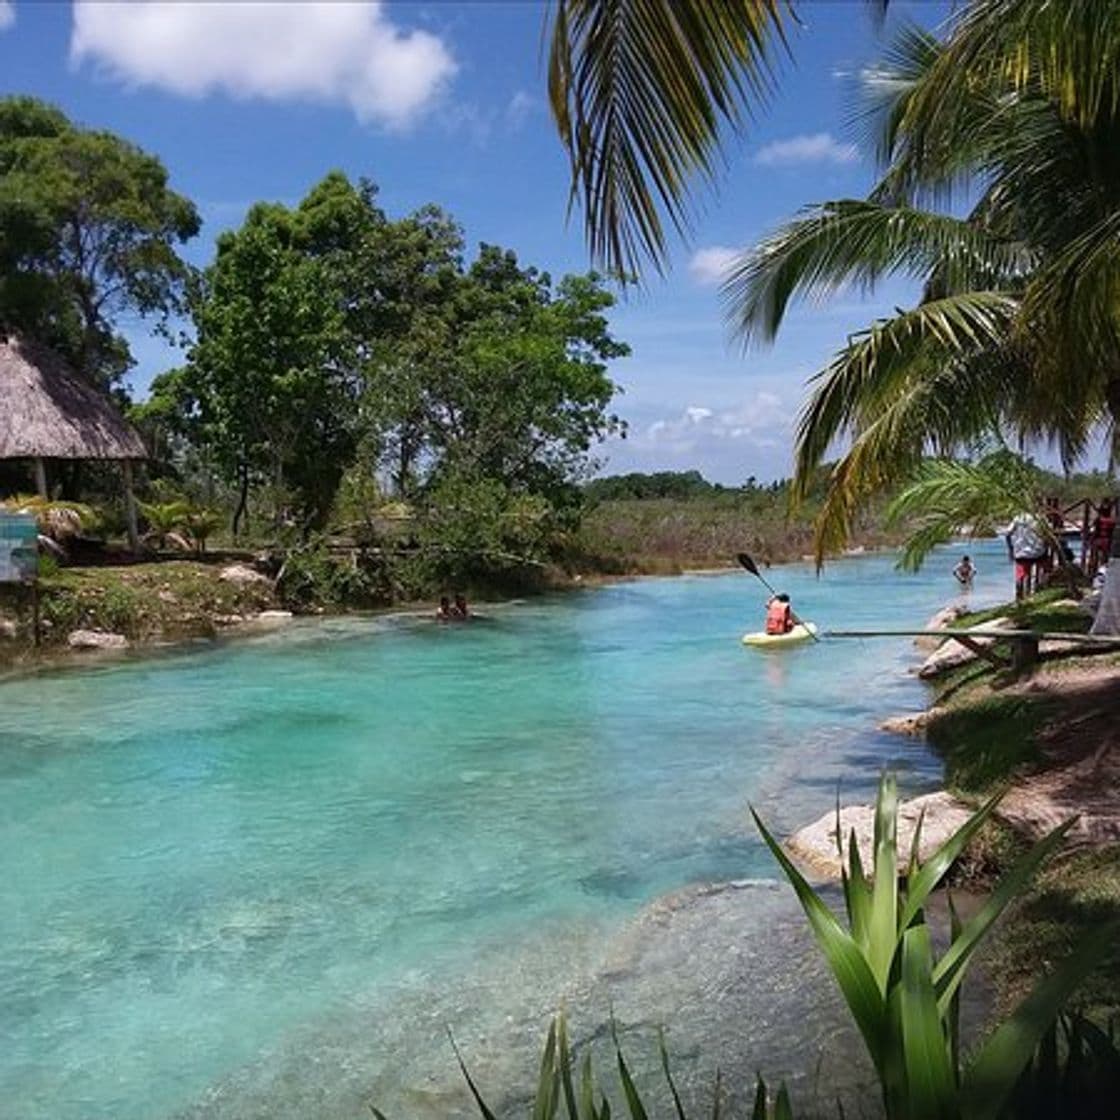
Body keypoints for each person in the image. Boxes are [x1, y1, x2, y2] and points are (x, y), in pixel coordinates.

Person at [1006, 511, 1046, 601]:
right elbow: (1047, 534)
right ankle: (1034, 591)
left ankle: (1019, 596)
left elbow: (1007, 533)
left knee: (1021, 574)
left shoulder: (1018, 518)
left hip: (1021, 552)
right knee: (1040, 569)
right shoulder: (1040, 518)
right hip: (1038, 552)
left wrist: (1010, 549)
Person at [1092, 499, 1116, 573]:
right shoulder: (1110, 520)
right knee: (1101, 557)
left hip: (1103, 540)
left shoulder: (1102, 519)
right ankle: (1098, 571)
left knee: (1101, 558)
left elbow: (1096, 529)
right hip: (1104, 540)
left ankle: (1099, 571)